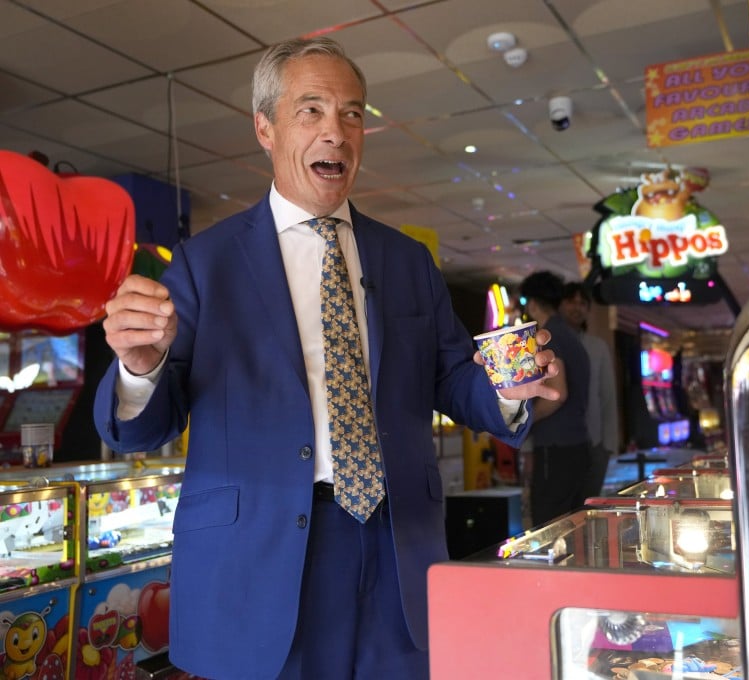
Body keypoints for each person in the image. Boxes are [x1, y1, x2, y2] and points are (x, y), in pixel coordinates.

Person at [93, 37, 559, 680]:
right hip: (256, 553)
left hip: (396, 546)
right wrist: (141, 368)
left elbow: (453, 379)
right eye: (310, 111)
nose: (335, 132)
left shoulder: (406, 261)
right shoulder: (205, 263)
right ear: (265, 128)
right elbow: (146, 427)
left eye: (352, 113)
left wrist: (514, 389)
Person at [519, 271, 590, 526]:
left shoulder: (549, 336)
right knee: (573, 526)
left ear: (534, 303)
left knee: (549, 526)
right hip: (578, 443)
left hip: (557, 446)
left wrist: (526, 421)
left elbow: (557, 393)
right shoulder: (572, 337)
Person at [560, 282, 619, 497]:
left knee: (588, 507)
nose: (577, 308)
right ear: (560, 305)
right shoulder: (549, 344)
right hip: (560, 444)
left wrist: (608, 445)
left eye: (582, 303)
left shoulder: (597, 347)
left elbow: (608, 397)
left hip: (594, 443)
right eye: (571, 302)